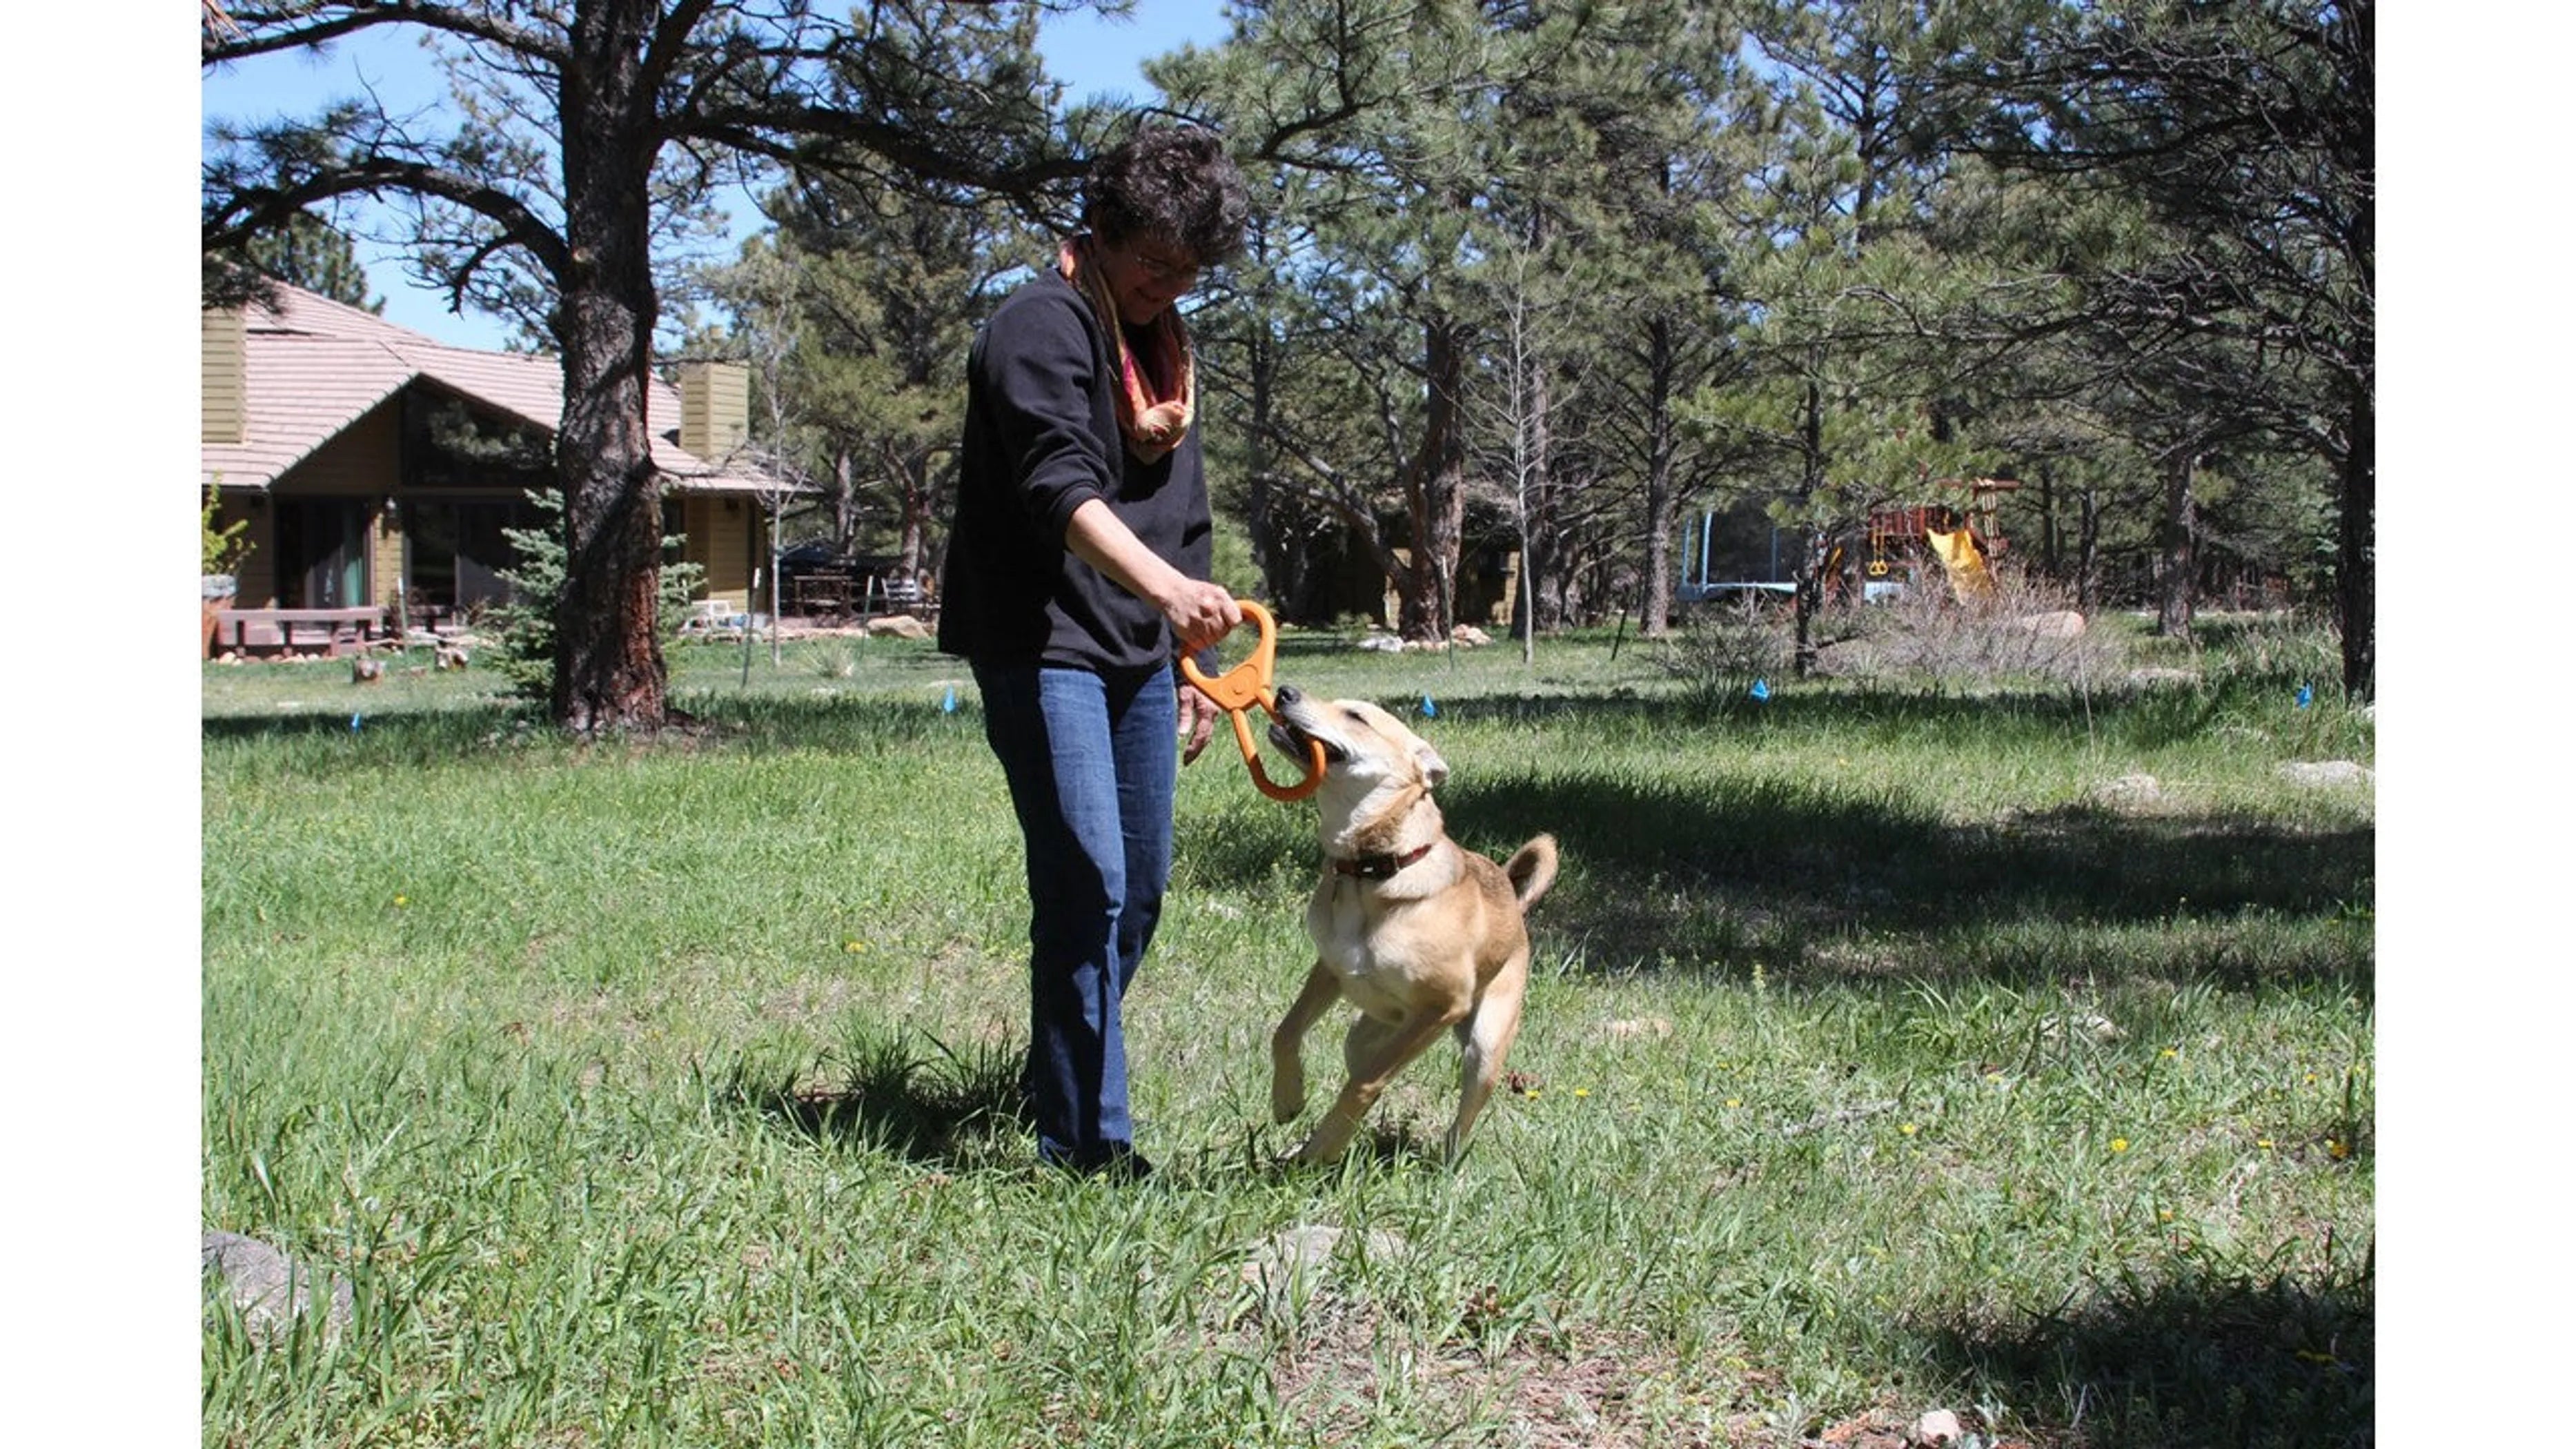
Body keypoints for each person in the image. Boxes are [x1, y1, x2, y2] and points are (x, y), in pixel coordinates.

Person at [936, 124, 1250, 1179]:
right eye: (1153, 261)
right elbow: (1055, 485)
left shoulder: (1162, 354)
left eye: (1189, 270)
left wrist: (1183, 655)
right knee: (1086, 884)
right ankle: (1087, 1148)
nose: (1170, 284)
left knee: (1141, 891)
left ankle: (1058, 1070)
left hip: (1135, 652)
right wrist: (1168, 594)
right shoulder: (1042, 324)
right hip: (1041, 641)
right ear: (1103, 230)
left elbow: (1181, 519)